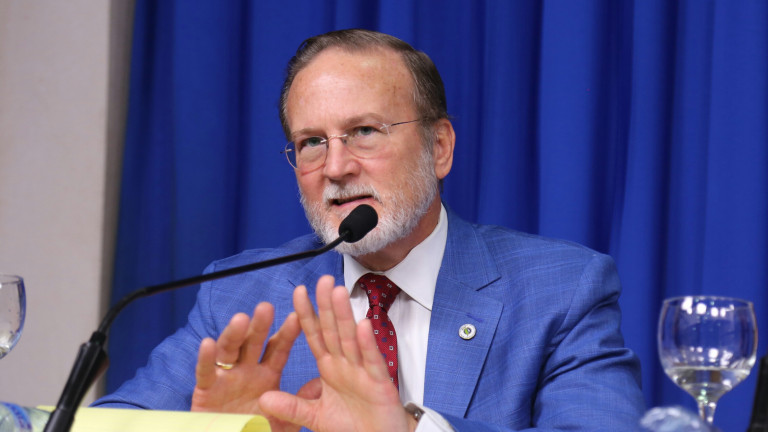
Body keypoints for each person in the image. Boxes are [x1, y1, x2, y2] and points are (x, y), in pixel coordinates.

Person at [94, 29, 645, 431]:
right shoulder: (242, 295)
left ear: (439, 147)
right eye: (312, 142)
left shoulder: (561, 290)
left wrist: (408, 430)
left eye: (363, 131)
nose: (335, 168)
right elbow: (107, 422)